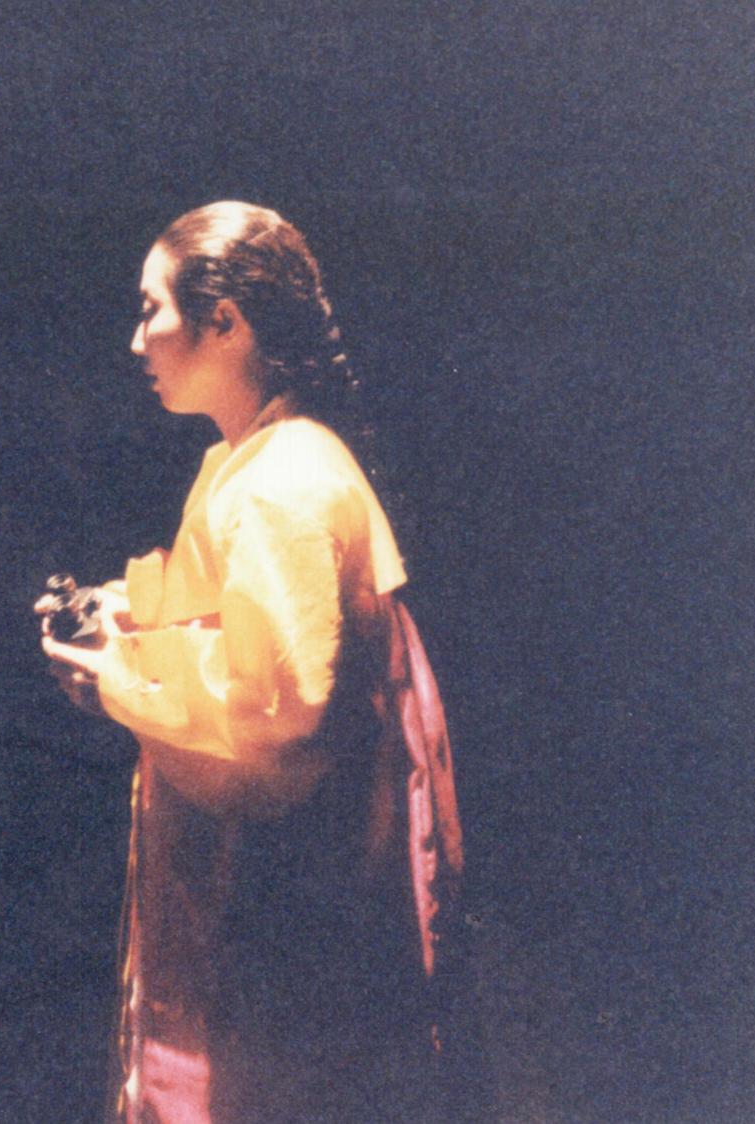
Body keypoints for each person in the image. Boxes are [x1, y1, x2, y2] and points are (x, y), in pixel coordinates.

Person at [41, 202, 461, 1122]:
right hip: (304, 872)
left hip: (291, 883)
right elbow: (226, 617)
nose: (137, 340)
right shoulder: (263, 459)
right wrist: (115, 620)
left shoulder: (280, 485)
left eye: (150, 310)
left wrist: (116, 681)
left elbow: (277, 716)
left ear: (224, 321)